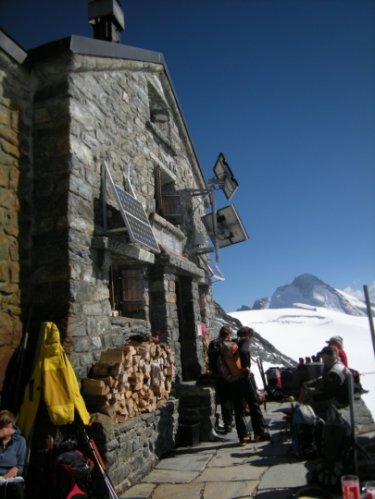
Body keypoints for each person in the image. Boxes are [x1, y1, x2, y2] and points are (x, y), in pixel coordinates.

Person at [300, 345, 349, 420]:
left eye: (323, 357)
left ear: (328, 357)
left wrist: (313, 396)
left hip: (340, 400)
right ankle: (303, 413)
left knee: (311, 400)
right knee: (309, 393)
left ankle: (307, 417)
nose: (322, 359)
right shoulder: (333, 365)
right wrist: (311, 384)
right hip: (335, 394)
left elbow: (328, 394)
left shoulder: (335, 371)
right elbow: (323, 380)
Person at [208, 326, 234, 433]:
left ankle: (227, 422)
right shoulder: (229, 345)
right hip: (229, 375)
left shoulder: (213, 344)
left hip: (218, 375)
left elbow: (211, 360)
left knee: (224, 399)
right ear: (228, 334)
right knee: (228, 399)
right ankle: (229, 422)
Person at [0, 410, 26, 499]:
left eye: (8, 426)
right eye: (3, 427)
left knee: (17, 489)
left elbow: (20, 466)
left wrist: (5, 477)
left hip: (9, 478)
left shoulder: (20, 441)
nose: (6, 430)